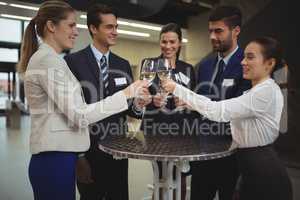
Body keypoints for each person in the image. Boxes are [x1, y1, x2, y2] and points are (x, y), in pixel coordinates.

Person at [17, 1, 147, 200]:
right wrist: (126, 94)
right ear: (51, 26)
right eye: (71, 25)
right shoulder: (49, 61)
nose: (75, 32)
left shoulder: (51, 60)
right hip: (56, 158)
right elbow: (79, 114)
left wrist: (136, 103)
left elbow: (68, 114)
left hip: (65, 156)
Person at [162, 36, 293, 200]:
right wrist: (192, 103)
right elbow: (220, 106)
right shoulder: (257, 91)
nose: (243, 62)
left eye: (250, 57)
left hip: (263, 172)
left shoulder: (264, 92)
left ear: (270, 63)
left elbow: (218, 111)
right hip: (250, 166)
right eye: (244, 56)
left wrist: (176, 87)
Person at [64, 4, 143, 200]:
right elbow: (70, 115)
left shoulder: (122, 64)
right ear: (93, 28)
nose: (115, 32)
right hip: (89, 153)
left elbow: (130, 111)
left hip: (118, 152)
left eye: (116, 27)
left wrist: (139, 105)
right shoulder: (73, 62)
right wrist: (79, 158)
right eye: (109, 27)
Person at [192, 5, 251, 200]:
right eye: (210, 31)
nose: (212, 37)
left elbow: (241, 112)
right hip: (202, 154)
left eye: (218, 31)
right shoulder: (205, 66)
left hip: (232, 156)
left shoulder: (247, 65)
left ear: (236, 31)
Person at [139, 23, 196, 200]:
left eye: (172, 42)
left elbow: (195, 101)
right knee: (162, 178)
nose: (168, 46)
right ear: (160, 42)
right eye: (164, 41)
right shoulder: (149, 65)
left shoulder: (188, 69)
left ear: (179, 43)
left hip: (182, 131)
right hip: (156, 130)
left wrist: (187, 101)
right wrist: (150, 101)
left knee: (181, 178)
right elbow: (141, 97)